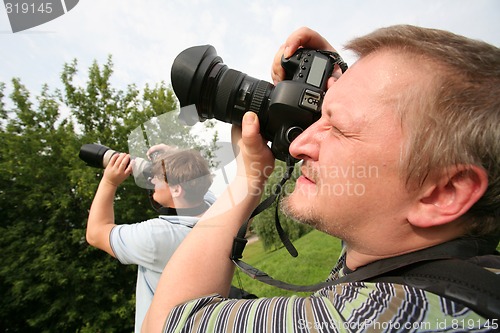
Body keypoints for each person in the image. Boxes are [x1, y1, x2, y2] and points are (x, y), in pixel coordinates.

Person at [142, 25, 500, 332]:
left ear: (445, 192)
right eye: (319, 114)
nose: (298, 145)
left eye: (338, 128)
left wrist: (249, 178)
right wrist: (353, 87)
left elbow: (167, 322)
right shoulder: (465, 271)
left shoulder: (361, 319)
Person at [86, 145, 215, 332]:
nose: (152, 180)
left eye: (157, 178)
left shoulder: (158, 236)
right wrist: (175, 156)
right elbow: (196, 178)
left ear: (177, 190)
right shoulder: (213, 209)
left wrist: (109, 182)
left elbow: (95, 233)